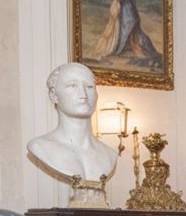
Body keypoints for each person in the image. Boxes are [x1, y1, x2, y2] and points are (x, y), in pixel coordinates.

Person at [27, 62, 118, 198]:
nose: (83, 94)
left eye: (89, 87)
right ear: (53, 95)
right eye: (72, 86)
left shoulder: (110, 154)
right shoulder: (40, 146)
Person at [93, 0, 162, 65]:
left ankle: (135, 47)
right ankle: (122, 48)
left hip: (130, 9)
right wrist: (118, 3)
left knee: (134, 27)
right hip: (122, 9)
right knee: (123, 29)